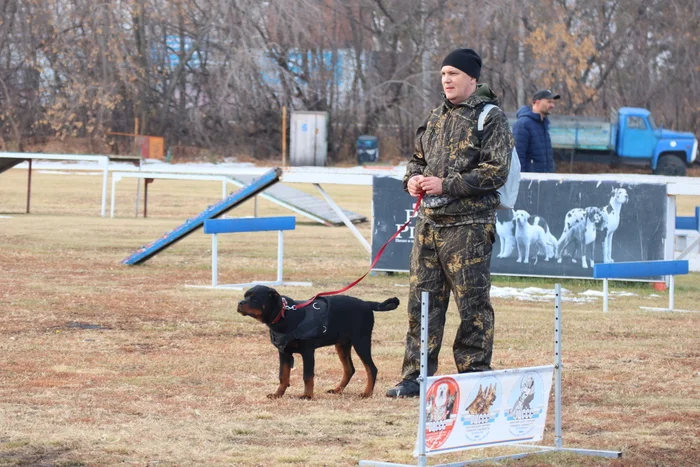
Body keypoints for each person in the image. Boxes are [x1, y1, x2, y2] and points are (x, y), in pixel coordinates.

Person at [386, 48, 514, 398]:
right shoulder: (436, 116)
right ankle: (415, 377)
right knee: (422, 304)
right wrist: (413, 179)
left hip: (468, 228)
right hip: (430, 225)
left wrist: (447, 184)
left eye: (454, 73)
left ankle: (474, 376)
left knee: (472, 305)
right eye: (443, 73)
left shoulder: (490, 117)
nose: (446, 79)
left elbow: (495, 171)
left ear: (472, 79)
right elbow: (417, 160)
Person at [512, 89, 560, 173]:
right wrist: (523, 182)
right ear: (537, 102)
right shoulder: (523, 124)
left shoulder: (544, 125)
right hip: (531, 183)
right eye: (549, 102)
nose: (552, 105)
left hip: (544, 181)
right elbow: (518, 157)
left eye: (553, 102)